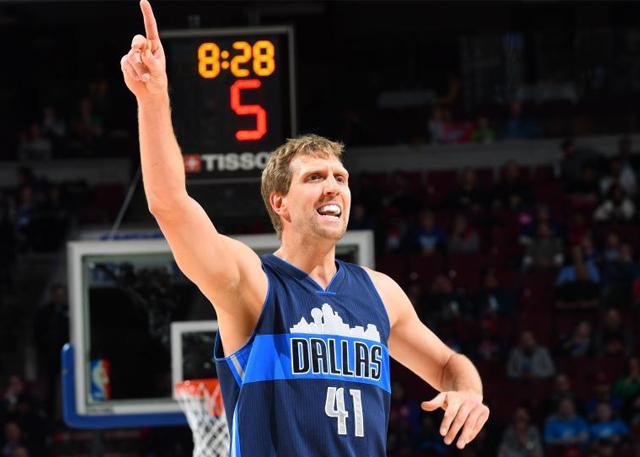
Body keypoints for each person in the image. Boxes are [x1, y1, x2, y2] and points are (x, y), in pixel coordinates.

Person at [120, 2, 489, 456]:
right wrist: (153, 99)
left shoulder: (381, 294)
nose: (334, 188)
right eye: (315, 178)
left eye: (341, 179)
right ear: (280, 203)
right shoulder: (252, 283)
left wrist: (469, 392)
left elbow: (451, 365)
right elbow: (170, 205)